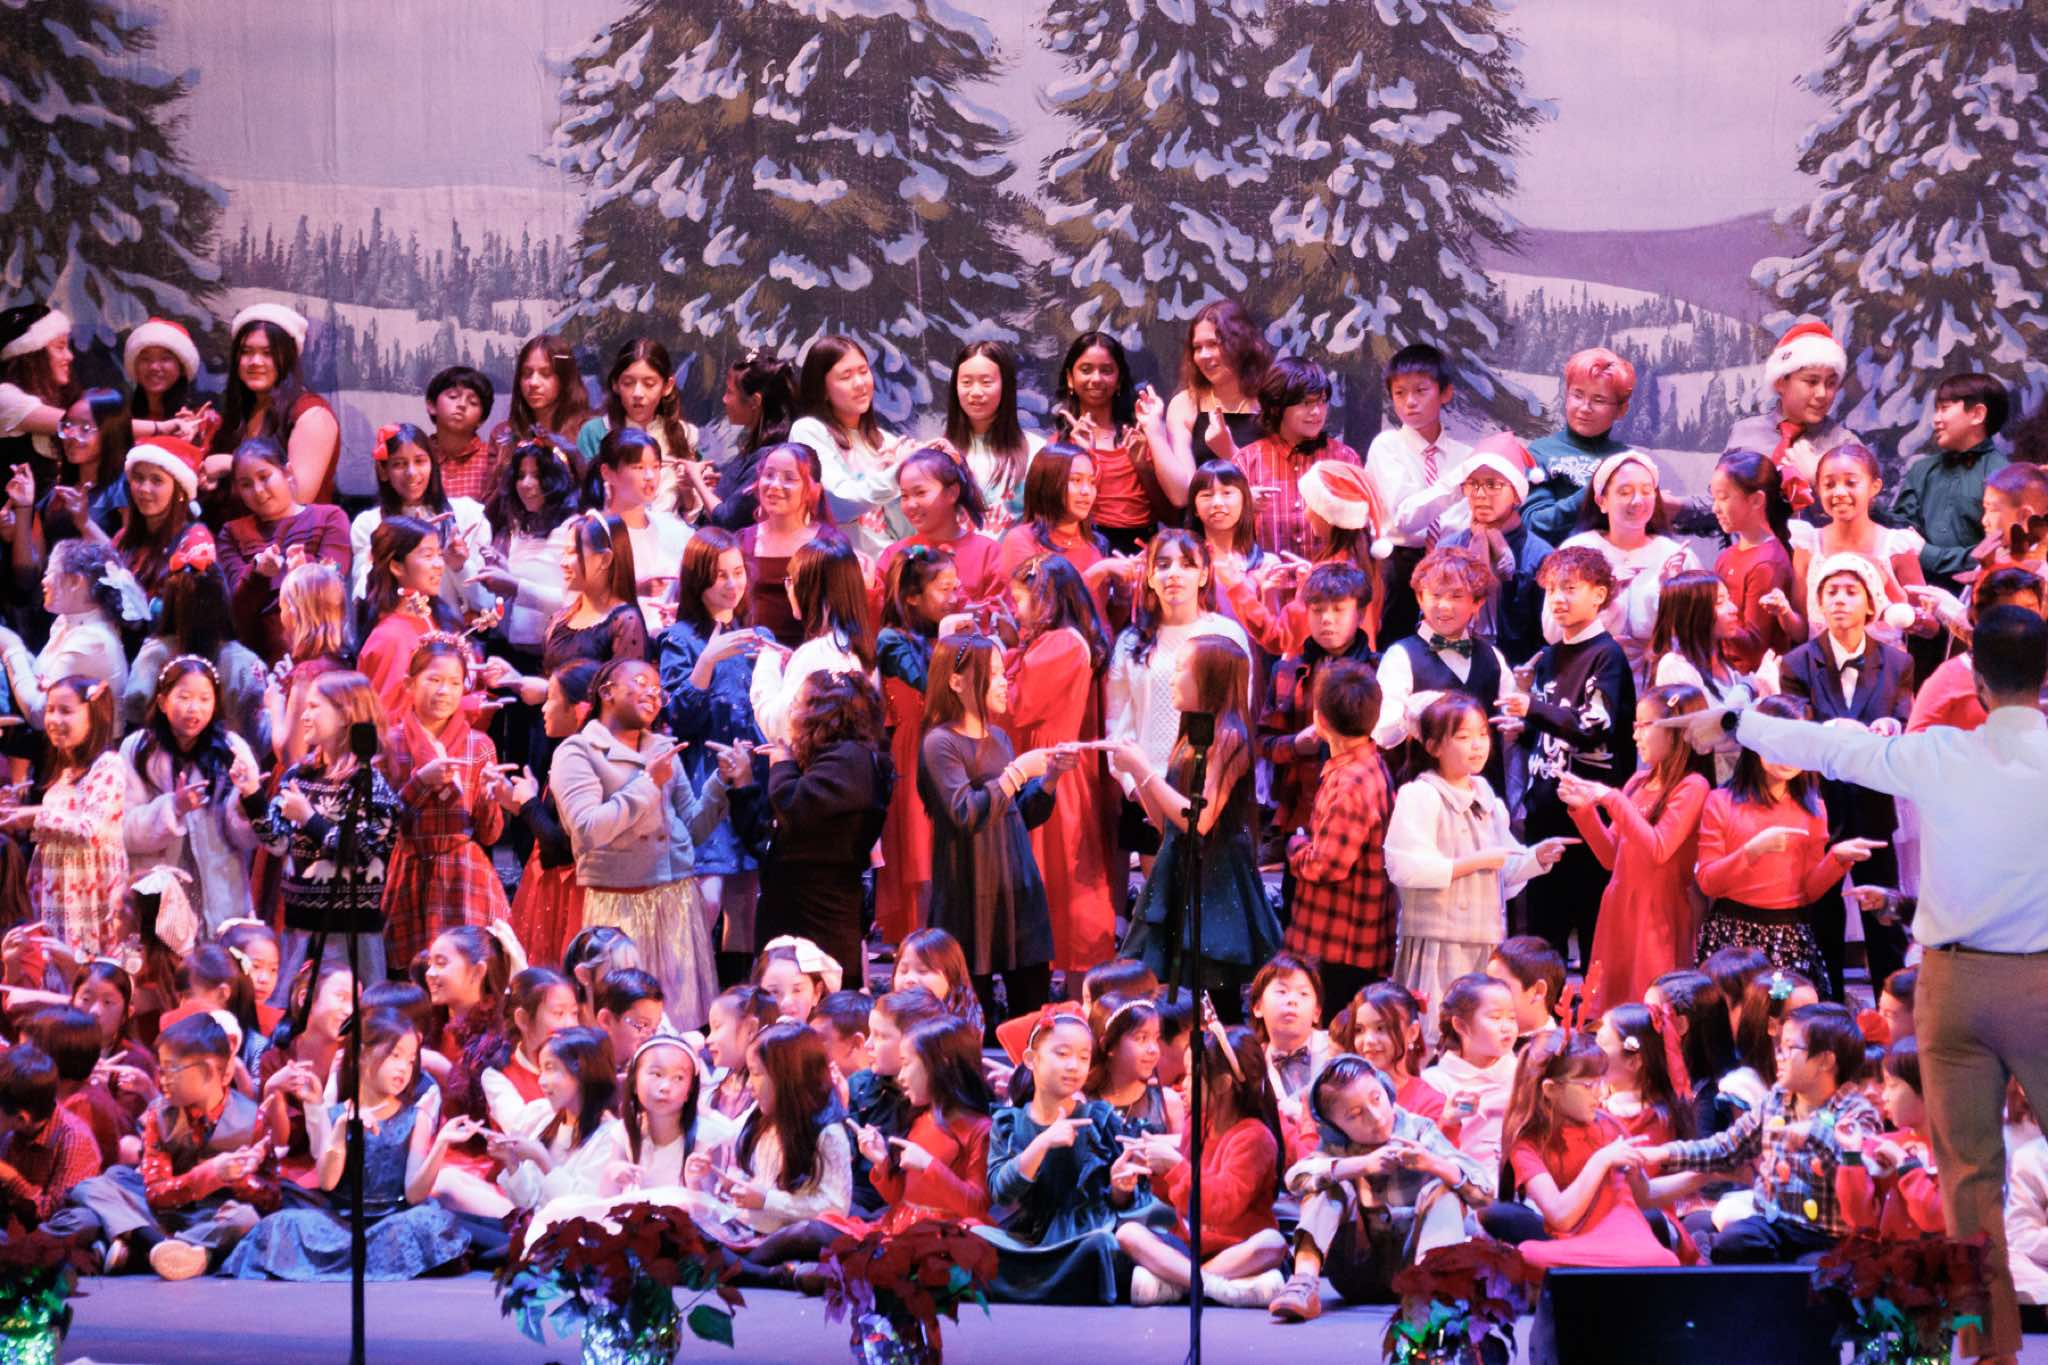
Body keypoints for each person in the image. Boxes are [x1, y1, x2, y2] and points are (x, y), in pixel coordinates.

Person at [1718, 604, 2048, 1359]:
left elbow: (1832, 748)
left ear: (1975, 680)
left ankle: (1990, 1354)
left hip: (1953, 983)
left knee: (1968, 1179)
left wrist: (1742, 719)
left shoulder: (1942, 753)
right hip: (2039, 981)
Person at [223, 1006, 470, 1281]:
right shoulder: (336, 1114)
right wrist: (341, 1129)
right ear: (363, 1054)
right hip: (340, 1224)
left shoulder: (415, 1117)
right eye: (395, 1055)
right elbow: (328, 1182)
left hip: (393, 1223)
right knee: (281, 1225)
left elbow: (414, 1195)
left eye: (411, 1060)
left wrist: (441, 1144)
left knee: (428, 1223)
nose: (403, 1067)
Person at [551, 657, 730, 1031]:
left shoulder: (662, 749)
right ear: (607, 692)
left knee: (682, 1022)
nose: (653, 693)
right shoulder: (579, 751)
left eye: (658, 688)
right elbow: (586, 830)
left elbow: (692, 828)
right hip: (621, 908)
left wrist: (721, 782)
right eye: (641, 683)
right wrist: (647, 784)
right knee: (625, 1021)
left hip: (677, 902)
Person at [1111, 635, 1279, 1014]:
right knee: (1175, 995)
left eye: (1181, 670)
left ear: (1210, 678)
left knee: (1212, 991)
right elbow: (1167, 824)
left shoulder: (1229, 735)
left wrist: (1142, 768)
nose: (1172, 678)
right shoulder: (1191, 735)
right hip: (1180, 873)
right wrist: (1137, 775)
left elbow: (1199, 821)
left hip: (1215, 883)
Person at [1641, 1002, 1880, 1264]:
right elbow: (1726, 1148)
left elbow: (1864, 1163)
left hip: (1830, 1236)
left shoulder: (1857, 1110)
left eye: (1790, 1048)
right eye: (1779, 1047)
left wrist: (1814, 1131)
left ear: (1825, 1060)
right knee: (1734, 1243)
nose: (1779, 1056)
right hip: (1774, 1224)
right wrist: (1664, 1153)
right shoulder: (1777, 1100)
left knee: (1815, 1267)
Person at [1267, 1053, 1491, 1323]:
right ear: (1335, 1128)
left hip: (1411, 1265)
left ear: (1386, 1089)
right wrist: (1361, 1165)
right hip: (1357, 1269)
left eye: (1376, 1099)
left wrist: (1433, 1164)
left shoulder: (1419, 1130)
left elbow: (1485, 1192)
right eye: (1355, 1115)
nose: (1375, 1117)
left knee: (1444, 1192)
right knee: (1326, 1185)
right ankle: (1303, 1282)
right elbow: (1296, 1178)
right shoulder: (1336, 1145)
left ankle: (1430, 1290)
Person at [1779, 553, 1915, 996]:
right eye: (1831, 592)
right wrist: (1831, 730)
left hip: (1874, 806)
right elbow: (1795, 729)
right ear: (1819, 602)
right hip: (1821, 807)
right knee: (1823, 917)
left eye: (1850, 592)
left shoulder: (1897, 662)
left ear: (1871, 603)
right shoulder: (1797, 663)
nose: (1839, 600)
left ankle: (1892, 1008)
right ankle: (1827, 1009)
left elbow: (1903, 715)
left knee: (1884, 917)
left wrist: (1892, 725)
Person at [920, 633, 1067, 1034]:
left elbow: (1019, 815)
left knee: (1032, 1021)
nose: (1005, 682)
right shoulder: (940, 743)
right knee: (970, 1023)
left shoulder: (999, 738)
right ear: (957, 682)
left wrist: (1049, 779)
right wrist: (1017, 772)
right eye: (995, 674)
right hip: (970, 893)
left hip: (1016, 889)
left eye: (1004, 673)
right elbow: (965, 812)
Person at [975, 1007, 1173, 1303]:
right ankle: (1052, 1282)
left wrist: (1120, 1188)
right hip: (1029, 1242)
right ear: (1031, 1059)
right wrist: (1042, 1143)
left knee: (1102, 1246)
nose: (1073, 1066)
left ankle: (1041, 1285)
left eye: (1083, 1057)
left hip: (1085, 1238)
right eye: (1062, 1054)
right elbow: (1001, 1192)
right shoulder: (1009, 1122)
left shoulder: (1099, 1118)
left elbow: (1125, 1203)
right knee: (974, 1239)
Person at [1386, 695, 1566, 1016]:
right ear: (1433, 746)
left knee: (1480, 1025)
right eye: (1463, 736)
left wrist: (1536, 858)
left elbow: (1503, 868)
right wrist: (1480, 861)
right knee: (1439, 1025)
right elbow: (1407, 868)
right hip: (1438, 942)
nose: (1477, 745)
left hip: (1486, 941)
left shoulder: (1485, 795)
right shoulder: (1421, 795)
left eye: (1483, 734)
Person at [1502, 546, 1635, 969]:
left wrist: (1532, 709)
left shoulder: (1607, 656)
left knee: (1594, 921)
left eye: (1570, 589)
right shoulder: (1552, 654)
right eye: (1551, 590)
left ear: (1599, 595)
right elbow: (1551, 727)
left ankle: (1595, 1007)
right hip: (1546, 808)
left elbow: (1594, 725)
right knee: (1544, 926)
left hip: (1589, 814)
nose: (1558, 599)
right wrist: (1524, 728)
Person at [1693, 693, 1875, 995]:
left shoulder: (1813, 808)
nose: (1790, 755)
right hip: (1733, 939)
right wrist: (1752, 851)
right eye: (1782, 742)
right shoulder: (1721, 801)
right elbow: (1708, 882)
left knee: (1785, 1016)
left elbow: (1807, 891)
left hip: (1789, 938)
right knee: (1734, 1018)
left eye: (1799, 744)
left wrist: (1837, 860)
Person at [728, 670, 889, 997]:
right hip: (792, 913)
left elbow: (792, 806)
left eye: (799, 701)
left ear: (823, 712)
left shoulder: (851, 760)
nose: (791, 708)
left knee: (826, 1011)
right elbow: (769, 840)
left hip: (823, 921)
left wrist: (782, 763)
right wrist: (743, 784)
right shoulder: (821, 761)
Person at [1562, 683, 1715, 1014]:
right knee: (1611, 1010)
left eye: (1643, 726)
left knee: (1651, 1009)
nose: (1635, 736)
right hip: (1619, 908)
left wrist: (1611, 799)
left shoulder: (1693, 786)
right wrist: (1584, 811)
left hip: (1658, 914)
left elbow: (1659, 848)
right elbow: (1609, 857)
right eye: (1635, 726)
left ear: (1676, 730)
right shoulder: (1637, 782)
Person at [1115, 1021, 1289, 1309]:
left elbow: (1222, 1205)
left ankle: (1179, 1284)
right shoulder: (1197, 1122)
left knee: (1272, 1243)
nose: (1184, 1084)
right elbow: (1180, 1200)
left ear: (1223, 1084)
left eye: (1191, 1075)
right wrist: (1151, 1168)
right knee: (1128, 1233)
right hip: (1191, 1247)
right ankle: (1215, 1287)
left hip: (1237, 1248)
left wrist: (1174, 1167)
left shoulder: (1255, 1137)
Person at [1002, 553, 1118, 975]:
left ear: (1045, 598)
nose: (1017, 610)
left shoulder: (1061, 644)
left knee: (1058, 872)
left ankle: (1067, 977)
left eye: (1021, 599)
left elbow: (1018, 706)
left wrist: (1001, 655)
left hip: (1050, 765)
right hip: (1047, 760)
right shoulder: (1058, 641)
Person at [251, 671, 400, 987]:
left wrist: (309, 818)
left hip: (349, 933)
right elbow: (277, 843)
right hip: (299, 927)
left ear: (345, 715)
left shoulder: (369, 782)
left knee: (344, 1008)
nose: (304, 716)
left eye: (314, 707)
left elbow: (362, 852)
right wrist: (251, 796)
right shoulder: (299, 775)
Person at [1492, 1030, 1681, 1269]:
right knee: (1528, 1254)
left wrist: (1700, 1175)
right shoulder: (1527, 1145)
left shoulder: (1610, 1125)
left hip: (1626, 1237)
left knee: (1660, 1260)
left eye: (1601, 1082)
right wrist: (1600, 1161)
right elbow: (1561, 1217)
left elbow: (1643, 1196)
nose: (1600, 1093)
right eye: (1588, 1085)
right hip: (1575, 1243)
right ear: (1550, 1089)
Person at [379, 637, 512, 971]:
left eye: (454, 683)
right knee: (412, 974)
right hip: (410, 870)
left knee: (468, 970)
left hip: (463, 875)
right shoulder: (390, 744)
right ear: (409, 684)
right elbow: (381, 825)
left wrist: (492, 798)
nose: (444, 691)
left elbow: (490, 834)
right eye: (434, 680)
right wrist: (420, 782)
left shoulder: (479, 745)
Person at [121, 656, 264, 937]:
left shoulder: (232, 749)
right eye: (184, 697)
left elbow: (247, 840)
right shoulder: (138, 749)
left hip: (222, 895)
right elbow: (125, 832)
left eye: (204, 699)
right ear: (162, 701)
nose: (194, 708)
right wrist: (174, 808)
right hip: (159, 894)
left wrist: (246, 806)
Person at [1283, 660, 1397, 999]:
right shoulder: (1369, 762)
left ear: (1319, 719)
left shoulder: (1350, 782)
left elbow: (1326, 866)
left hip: (1339, 945)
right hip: (1354, 941)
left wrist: (1296, 845)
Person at [1261, 563, 1379, 849]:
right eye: (1317, 610)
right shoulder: (1287, 670)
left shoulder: (1380, 670)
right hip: (1302, 810)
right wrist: (1295, 744)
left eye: (1338, 609)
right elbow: (1262, 742)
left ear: (1360, 613)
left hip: (1363, 809)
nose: (1327, 619)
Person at [1559, 451, 1700, 679]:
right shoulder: (1576, 553)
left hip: (1660, 683)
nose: (1637, 501)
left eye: (1646, 491)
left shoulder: (1677, 556)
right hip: (1588, 677)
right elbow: (1553, 630)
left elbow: (1699, 631)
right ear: (1602, 501)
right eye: (1625, 492)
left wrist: (1669, 597)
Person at [1366, 343, 1471, 641]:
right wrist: (1455, 486)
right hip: (1399, 567)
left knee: (1449, 647)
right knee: (1394, 646)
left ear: (1445, 393)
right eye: (1399, 393)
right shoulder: (1387, 446)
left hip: (1454, 566)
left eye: (1421, 391)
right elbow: (1404, 517)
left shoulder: (1467, 456)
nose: (1409, 402)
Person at [217, 438, 352, 664]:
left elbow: (333, 580)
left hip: (320, 653)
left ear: (287, 472)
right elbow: (236, 610)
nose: (258, 491)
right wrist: (258, 574)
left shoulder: (329, 517)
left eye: (264, 477)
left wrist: (305, 570)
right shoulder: (232, 533)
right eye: (246, 484)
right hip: (258, 659)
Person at [19, 677, 128, 957]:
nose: (55, 719)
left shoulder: (108, 766)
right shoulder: (66, 772)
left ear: (94, 715)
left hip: (89, 894)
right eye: (50, 710)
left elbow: (89, 830)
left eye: (66, 711)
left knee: (87, 970)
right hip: (59, 892)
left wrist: (32, 817)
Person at [348, 423, 494, 617]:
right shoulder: (369, 524)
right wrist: (390, 548)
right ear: (383, 471)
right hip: (396, 632)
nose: (411, 473)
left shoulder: (466, 515)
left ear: (433, 464)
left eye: (419, 461)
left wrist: (459, 566)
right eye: (399, 464)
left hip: (451, 633)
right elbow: (361, 600)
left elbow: (485, 604)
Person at [1724, 319, 1862, 518]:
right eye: (1811, 382)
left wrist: (1820, 478)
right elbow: (1719, 501)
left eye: (1831, 384)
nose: (1822, 393)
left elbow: (1866, 515)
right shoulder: (1745, 433)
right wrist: (1679, 507)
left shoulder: (1845, 445)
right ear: (1781, 382)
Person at [787, 335, 909, 558]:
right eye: (846, 376)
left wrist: (921, 472)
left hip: (891, 566)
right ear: (823, 389)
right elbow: (838, 502)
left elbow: (907, 528)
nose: (860, 383)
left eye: (864, 371)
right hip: (840, 567)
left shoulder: (887, 442)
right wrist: (897, 473)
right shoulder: (809, 431)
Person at [206, 305, 338, 509]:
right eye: (246, 352)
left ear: (288, 357)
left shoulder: (312, 414)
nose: (255, 361)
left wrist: (231, 464)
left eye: (267, 353)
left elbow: (299, 497)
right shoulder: (242, 412)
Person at [1230, 356, 1362, 560]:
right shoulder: (1247, 461)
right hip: (1267, 578)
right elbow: (1228, 538)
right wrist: (1243, 506)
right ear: (1276, 407)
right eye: (1306, 403)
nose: (1317, 412)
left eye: (1322, 401)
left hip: (1329, 578)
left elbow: (1358, 539)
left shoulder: (1344, 459)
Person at [749, 533, 875, 745]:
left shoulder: (816, 652)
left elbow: (779, 727)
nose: (788, 589)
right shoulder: (860, 648)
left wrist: (767, 662)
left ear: (811, 590)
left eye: (791, 581)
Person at [1438, 435, 1552, 666]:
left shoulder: (1540, 556)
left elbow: (1545, 637)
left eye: (1493, 485)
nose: (1480, 495)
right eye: (1472, 484)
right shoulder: (1448, 549)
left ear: (1517, 494)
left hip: (1516, 670)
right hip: (1452, 666)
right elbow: (1430, 620)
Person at [576, 339, 711, 522]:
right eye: (628, 383)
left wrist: (688, 489)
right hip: (613, 531)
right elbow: (586, 502)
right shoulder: (595, 433)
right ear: (615, 384)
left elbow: (693, 512)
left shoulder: (685, 434)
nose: (638, 393)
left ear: (667, 386)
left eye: (649, 384)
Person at [583, 427, 696, 632]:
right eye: (638, 467)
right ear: (607, 473)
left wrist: (679, 611)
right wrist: (633, 589)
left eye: (656, 467)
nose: (650, 476)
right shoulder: (589, 532)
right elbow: (572, 599)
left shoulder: (676, 531)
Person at [1522, 347, 1638, 545]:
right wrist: (1592, 492)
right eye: (1577, 395)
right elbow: (1532, 524)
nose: (1585, 408)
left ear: (1621, 410)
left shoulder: (1628, 460)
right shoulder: (1541, 452)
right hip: (1556, 560)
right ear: (1566, 396)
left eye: (1598, 400)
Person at [1708, 450, 1802, 672]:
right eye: (1714, 498)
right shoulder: (1727, 556)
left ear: (1756, 500)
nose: (1715, 508)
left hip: (1752, 680)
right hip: (1724, 673)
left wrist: (1707, 618)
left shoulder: (1767, 564)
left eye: (1723, 498)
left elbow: (1754, 649)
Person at [877, 447, 999, 601]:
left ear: (952, 493)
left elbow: (1001, 610)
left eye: (921, 493)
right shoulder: (894, 555)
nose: (910, 504)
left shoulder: (988, 553)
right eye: (904, 496)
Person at [0, 1042, 102, 1227]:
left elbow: (55, 1217)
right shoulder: (11, 1124)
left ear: (22, 1119)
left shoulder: (75, 1141)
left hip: (47, 1236)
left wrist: (10, 1177)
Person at [944, 340, 1043, 529]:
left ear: (1006, 386)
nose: (976, 392)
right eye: (966, 382)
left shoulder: (1036, 451)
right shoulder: (938, 454)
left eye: (986, 382)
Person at [702, 349, 798, 531]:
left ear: (754, 401)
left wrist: (696, 481)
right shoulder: (757, 446)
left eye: (730, 392)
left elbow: (727, 519)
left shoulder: (769, 457)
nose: (724, 399)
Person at [994, 442, 1107, 582]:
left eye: (1092, 482)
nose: (1086, 491)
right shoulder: (1021, 539)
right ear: (1048, 484)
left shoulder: (1096, 544)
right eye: (1076, 480)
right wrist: (1098, 572)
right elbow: (1042, 593)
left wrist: (1123, 587)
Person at [488, 334, 592, 465]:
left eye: (546, 374)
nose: (533, 382)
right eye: (527, 373)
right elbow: (495, 478)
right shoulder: (502, 434)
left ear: (565, 379)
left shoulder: (589, 431)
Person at [421, 365, 501, 506]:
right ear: (432, 406)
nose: (462, 405)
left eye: (473, 402)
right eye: (453, 396)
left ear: (482, 419)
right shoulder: (418, 457)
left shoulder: (493, 459)